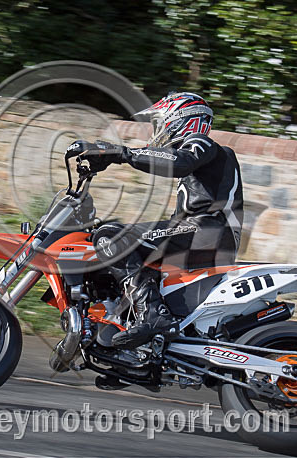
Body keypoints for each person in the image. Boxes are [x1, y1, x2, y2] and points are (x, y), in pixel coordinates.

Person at [65, 92, 244, 348]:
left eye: (161, 123)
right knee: (112, 237)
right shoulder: (201, 160)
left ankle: (154, 315)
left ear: (182, 120)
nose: (158, 130)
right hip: (199, 232)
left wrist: (121, 153)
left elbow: (180, 163)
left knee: (112, 236)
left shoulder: (203, 145)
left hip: (208, 232)